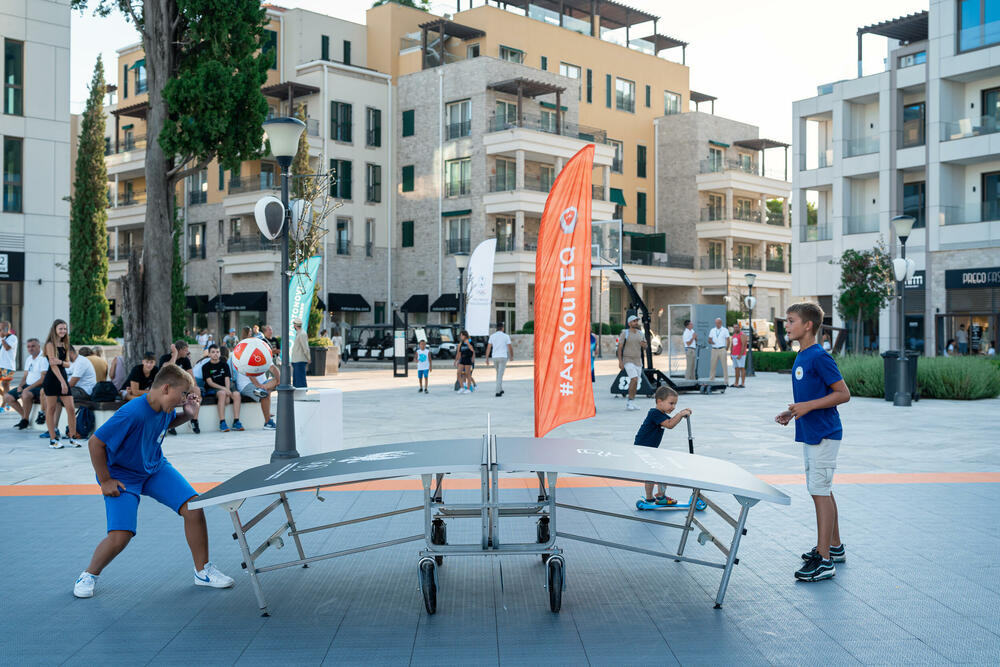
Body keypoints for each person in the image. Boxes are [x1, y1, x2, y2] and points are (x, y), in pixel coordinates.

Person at [72, 363, 235, 599]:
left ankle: (203, 572)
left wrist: (187, 415)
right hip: (122, 476)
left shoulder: (164, 406)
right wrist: (106, 480)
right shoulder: (132, 412)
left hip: (154, 467)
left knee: (194, 508)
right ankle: (89, 574)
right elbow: (95, 443)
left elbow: (164, 422)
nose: (183, 400)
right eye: (182, 395)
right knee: (121, 536)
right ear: (166, 388)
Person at [774, 302, 851, 583]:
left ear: (808, 325)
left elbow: (843, 393)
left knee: (819, 491)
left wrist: (807, 407)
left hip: (824, 434)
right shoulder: (802, 355)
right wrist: (793, 411)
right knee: (822, 490)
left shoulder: (819, 356)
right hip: (811, 432)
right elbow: (810, 397)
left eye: (791, 320)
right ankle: (834, 548)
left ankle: (825, 561)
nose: (787, 325)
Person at [633, 386, 692, 506]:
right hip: (644, 448)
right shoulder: (655, 413)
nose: (673, 407)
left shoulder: (660, 414)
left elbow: (672, 421)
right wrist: (680, 414)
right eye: (671, 403)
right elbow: (670, 424)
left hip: (646, 448)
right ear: (659, 401)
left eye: (675, 404)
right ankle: (660, 497)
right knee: (662, 469)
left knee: (651, 472)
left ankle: (651, 498)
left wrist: (681, 415)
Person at [42, 319, 82, 448]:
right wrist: (63, 382)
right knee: (51, 409)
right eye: (60, 329)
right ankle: (53, 440)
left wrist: (59, 362)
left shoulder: (65, 344)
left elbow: (67, 364)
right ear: (54, 330)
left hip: (62, 377)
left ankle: (73, 437)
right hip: (53, 379)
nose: (63, 331)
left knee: (71, 408)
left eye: (65, 329)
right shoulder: (49, 344)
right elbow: (52, 366)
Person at [4, 337, 47, 429]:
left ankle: (25, 420)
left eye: (33, 346)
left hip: (40, 386)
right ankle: (25, 417)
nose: (30, 348)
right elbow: (25, 376)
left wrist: (27, 388)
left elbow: (43, 378)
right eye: (28, 347)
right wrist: (20, 386)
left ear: (39, 346)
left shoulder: (43, 358)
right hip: (28, 385)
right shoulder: (29, 359)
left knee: (26, 394)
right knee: (7, 397)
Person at [159, 341, 201, 435]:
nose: (187, 352)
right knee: (172, 393)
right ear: (180, 350)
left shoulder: (185, 360)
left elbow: (191, 375)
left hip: (181, 386)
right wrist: (175, 355)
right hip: (166, 386)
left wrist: (195, 387)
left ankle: (194, 420)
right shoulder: (165, 358)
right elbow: (167, 369)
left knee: (197, 391)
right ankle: (169, 423)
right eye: (186, 350)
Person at [201, 344, 243, 432]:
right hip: (213, 388)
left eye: (217, 352)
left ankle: (236, 421)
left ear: (220, 353)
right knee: (222, 393)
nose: (215, 354)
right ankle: (222, 422)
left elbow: (227, 379)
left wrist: (227, 390)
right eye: (213, 352)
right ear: (209, 354)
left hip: (225, 387)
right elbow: (210, 382)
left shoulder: (224, 365)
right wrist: (225, 390)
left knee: (236, 394)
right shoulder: (205, 367)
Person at [233, 362, 278, 430]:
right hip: (246, 385)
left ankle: (265, 387)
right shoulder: (247, 354)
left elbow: (273, 369)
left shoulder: (265, 354)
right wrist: (259, 386)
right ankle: (268, 422)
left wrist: (279, 380)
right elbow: (249, 373)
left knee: (282, 379)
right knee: (263, 394)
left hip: (263, 384)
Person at [617, 314, 646, 411]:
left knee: (636, 381)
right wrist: (620, 361)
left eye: (636, 321)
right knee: (634, 379)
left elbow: (645, 346)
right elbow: (620, 348)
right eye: (634, 321)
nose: (636, 323)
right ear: (629, 323)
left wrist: (644, 345)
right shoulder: (625, 333)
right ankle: (629, 401)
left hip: (638, 360)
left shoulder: (640, 333)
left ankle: (632, 401)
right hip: (628, 359)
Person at [485, 322, 513, 397]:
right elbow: (510, 347)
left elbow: (488, 348)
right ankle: (498, 392)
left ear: (496, 328)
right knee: (500, 374)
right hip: (503, 357)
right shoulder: (506, 336)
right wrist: (511, 356)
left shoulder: (492, 336)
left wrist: (487, 358)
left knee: (498, 374)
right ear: (502, 328)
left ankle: (500, 388)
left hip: (495, 357)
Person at [707, 317, 730, 385]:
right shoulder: (712, 330)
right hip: (714, 350)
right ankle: (711, 380)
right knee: (712, 366)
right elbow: (709, 339)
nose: (717, 324)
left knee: (724, 366)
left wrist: (726, 349)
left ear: (721, 323)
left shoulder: (725, 330)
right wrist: (711, 341)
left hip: (722, 349)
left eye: (718, 323)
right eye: (716, 323)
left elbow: (728, 340)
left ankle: (726, 381)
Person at [0, 320, 18, 401]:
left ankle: (4, 405)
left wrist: (3, 338)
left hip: (8, 365)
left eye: (3, 327)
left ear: (8, 327)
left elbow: (7, 348)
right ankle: (7, 399)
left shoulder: (13, 337)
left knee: (5, 384)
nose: (1, 329)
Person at [290, 319, 310, 389]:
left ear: (295, 325)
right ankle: (298, 395)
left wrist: (308, 358)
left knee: (300, 380)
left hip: (300, 360)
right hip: (297, 360)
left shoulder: (302, 334)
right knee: (297, 380)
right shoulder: (299, 333)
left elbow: (305, 347)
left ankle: (302, 394)